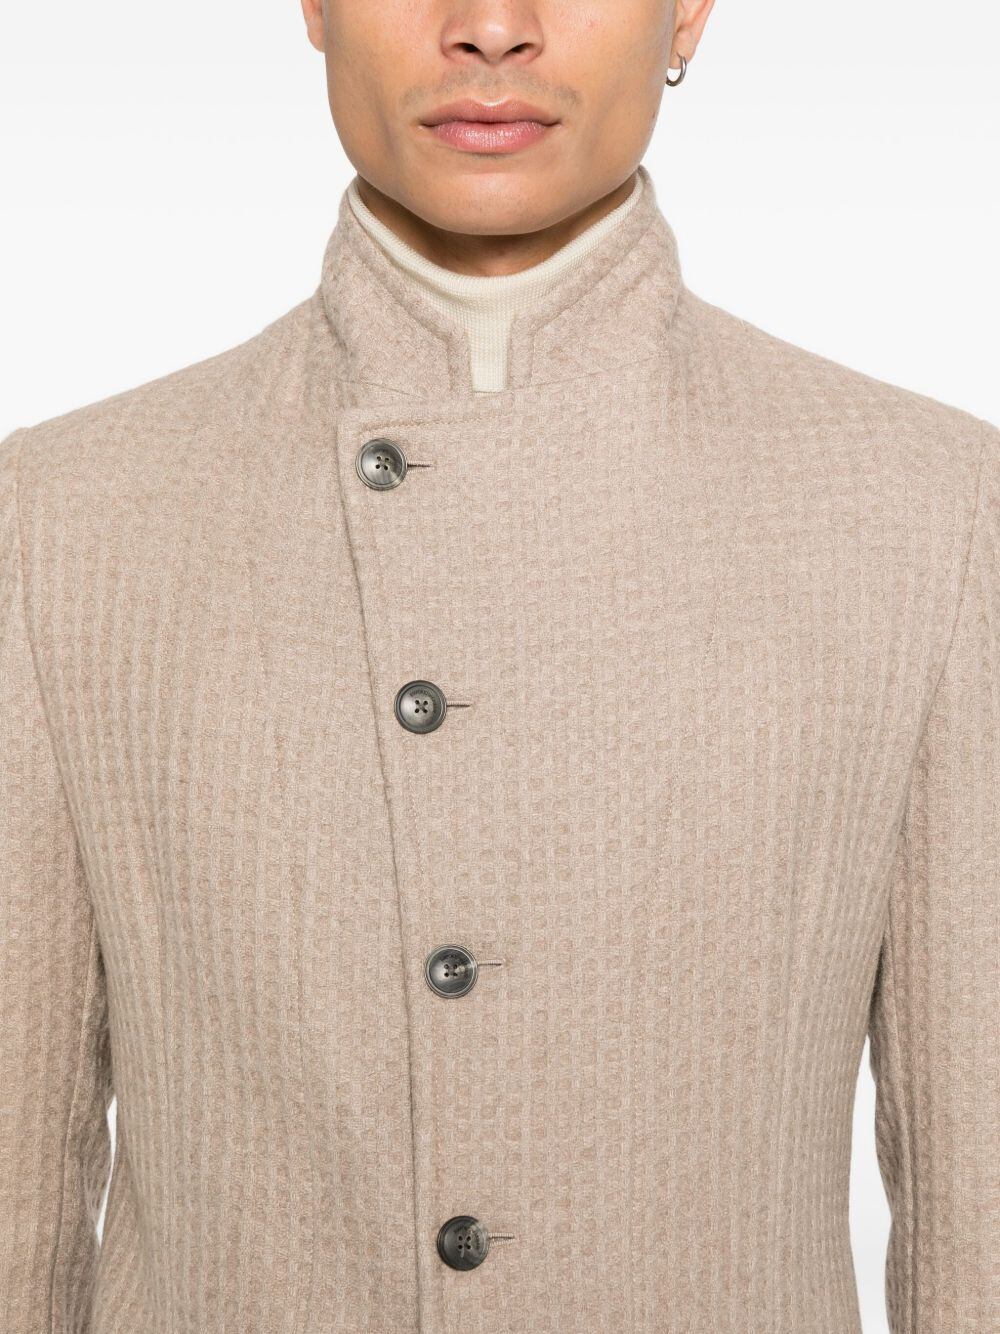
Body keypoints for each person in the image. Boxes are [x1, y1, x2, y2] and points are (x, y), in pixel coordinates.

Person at [1, 2, 996, 1330]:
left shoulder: (926, 509)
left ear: (688, 10)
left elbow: (979, 1219)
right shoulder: (66, 520)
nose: (490, 28)